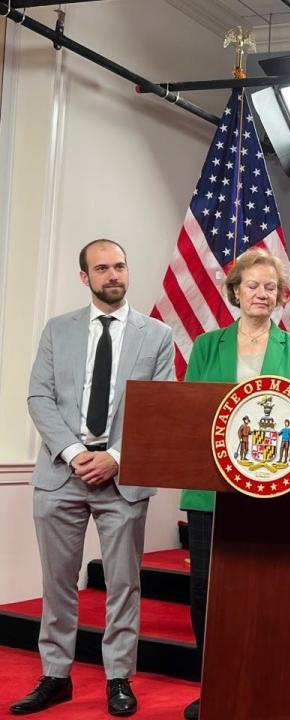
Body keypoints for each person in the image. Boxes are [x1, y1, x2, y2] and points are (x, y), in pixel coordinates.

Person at [14, 239, 174, 717]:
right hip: (62, 473)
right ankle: (55, 676)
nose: (113, 276)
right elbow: (39, 398)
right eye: (102, 268)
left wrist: (116, 457)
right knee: (58, 580)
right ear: (85, 277)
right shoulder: (57, 330)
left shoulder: (157, 335)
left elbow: (160, 406)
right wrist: (76, 452)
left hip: (122, 478)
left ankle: (119, 677)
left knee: (124, 583)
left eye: (120, 266)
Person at [179, 247, 290, 720]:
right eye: (253, 285)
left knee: (265, 592)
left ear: (279, 297)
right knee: (204, 591)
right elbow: (192, 414)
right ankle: (212, 685)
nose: (262, 293)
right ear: (235, 291)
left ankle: (263, 685)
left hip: (273, 490)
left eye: (270, 287)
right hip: (211, 490)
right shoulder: (207, 346)